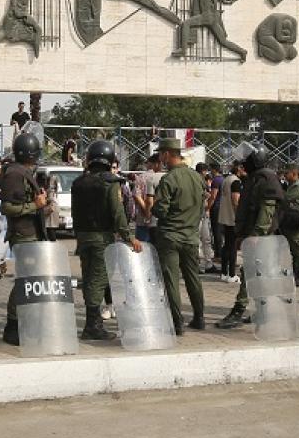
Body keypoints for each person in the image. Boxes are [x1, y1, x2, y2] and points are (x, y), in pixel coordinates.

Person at [71, 139, 140, 340]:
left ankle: (91, 323)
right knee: (98, 280)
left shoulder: (78, 182)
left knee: (89, 277)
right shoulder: (111, 183)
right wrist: (129, 237)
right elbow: (118, 213)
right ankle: (93, 326)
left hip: (83, 237)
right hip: (102, 237)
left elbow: (75, 212)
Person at [216, 147, 284, 330]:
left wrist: (256, 234)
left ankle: (239, 310)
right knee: (257, 273)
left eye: (247, 160)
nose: (243, 163)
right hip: (253, 235)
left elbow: (267, 210)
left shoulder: (266, 179)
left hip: (260, 238)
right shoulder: (256, 178)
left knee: (250, 272)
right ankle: (262, 312)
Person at [152, 137, 207, 334]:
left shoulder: (168, 179)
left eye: (161, 155)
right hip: (191, 235)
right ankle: (199, 318)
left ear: (167, 154)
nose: (160, 159)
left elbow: (160, 210)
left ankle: (177, 323)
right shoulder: (197, 177)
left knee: (171, 280)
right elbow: (202, 206)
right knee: (193, 278)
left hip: (170, 236)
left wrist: (155, 209)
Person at [0, 131, 48, 345]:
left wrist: (42, 204)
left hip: (31, 234)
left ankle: (23, 323)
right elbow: (6, 207)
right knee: (24, 282)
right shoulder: (14, 174)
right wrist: (34, 205)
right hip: (23, 235)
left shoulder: (24, 172)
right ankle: (13, 325)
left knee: (30, 281)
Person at [279, 161, 299, 287]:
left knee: (298, 251)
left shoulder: (297, 186)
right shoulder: (290, 185)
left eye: (287, 173)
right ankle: (292, 275)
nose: (285, 175)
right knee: (291, 250)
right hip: (288, 221)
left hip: (295, 221)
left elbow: (285, 199)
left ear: (294, 173)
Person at [216, 160, 242, 282]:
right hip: (232, 218)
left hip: (224, 216)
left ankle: (224, 272)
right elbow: (235, 200)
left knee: (226, 245)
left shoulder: (226, 179)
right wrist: (239, 215)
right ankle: (231, 274)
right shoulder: (236, 181)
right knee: (232, 247)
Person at [134, 153, 163, 243]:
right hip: (159, 220)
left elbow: (137, 195)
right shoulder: (166, 177)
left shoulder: (141, 177)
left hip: (143, 220)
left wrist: (147, 211)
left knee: (143, 247)